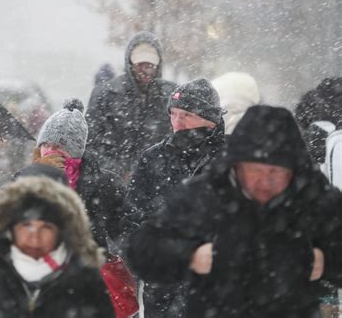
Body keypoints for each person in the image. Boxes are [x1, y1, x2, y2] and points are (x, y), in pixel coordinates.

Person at [127, 105, 342, 317]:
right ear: (237, 166)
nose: (265, 181)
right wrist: (190, 255)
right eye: (255, 171)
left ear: (294, 170)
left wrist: (327, 259)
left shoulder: (311, 196)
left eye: (276, 172)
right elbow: (142, 249)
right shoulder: (208, 193)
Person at [0, 175, 114, 317]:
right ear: (10, 227)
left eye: (46, 227)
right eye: (26, 226)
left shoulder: (84, 280)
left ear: (61, 231)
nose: (34, 237)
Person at [123, 78, 226, 317]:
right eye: (173, 114)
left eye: (187, 115)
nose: (177, 123)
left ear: (210, 120)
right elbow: (131, 219)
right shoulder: (153, 158)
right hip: (163, 290)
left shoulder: (233, 158)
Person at [30, 98, 125, 250]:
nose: (49, 151)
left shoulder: (105, 184)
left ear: (75, 151)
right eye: (45, 145)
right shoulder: (24, 180)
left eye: (59, 146)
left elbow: (124, 236)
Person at [86, 31, 177, 179]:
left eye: (151, 64)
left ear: (158, 64)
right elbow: (91, 146)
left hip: (157, 185)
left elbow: (178, 142)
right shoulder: (105, 94)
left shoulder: (172, 95)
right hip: (112, 185)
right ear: (130, 63)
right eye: (140, 63)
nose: (146, 69)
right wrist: (118, 173)